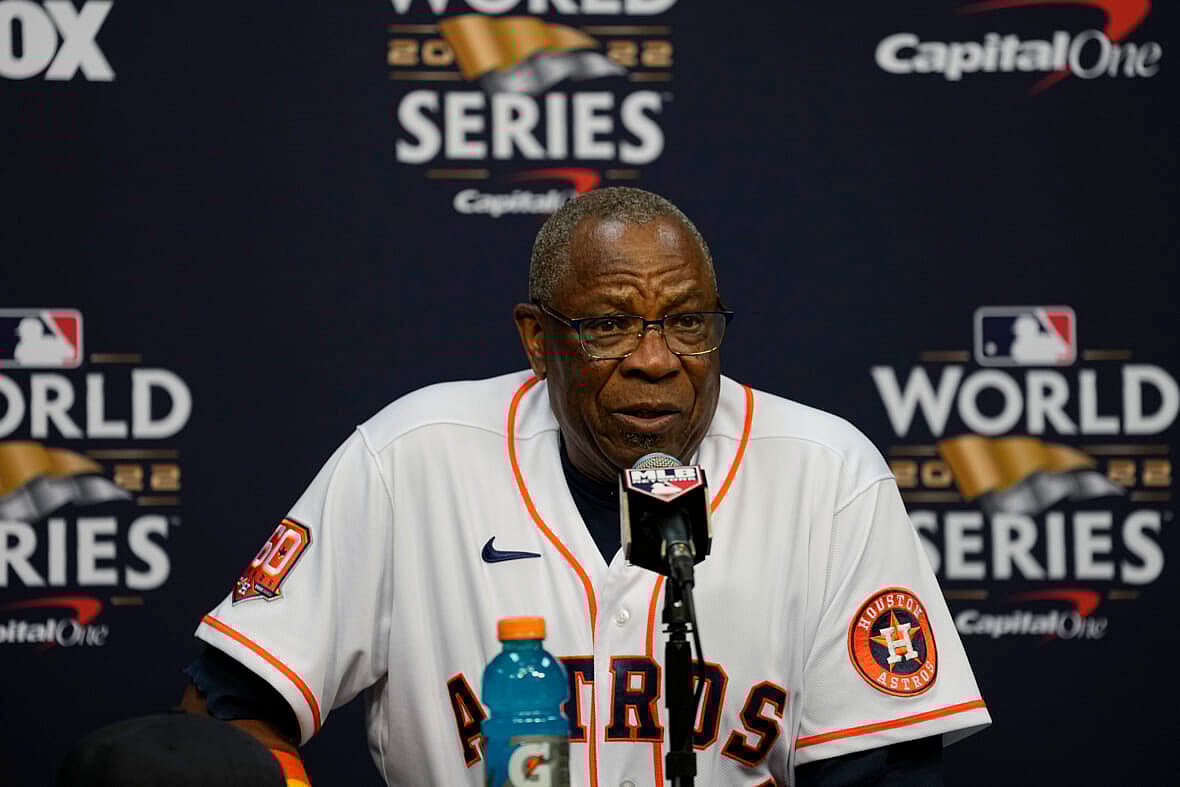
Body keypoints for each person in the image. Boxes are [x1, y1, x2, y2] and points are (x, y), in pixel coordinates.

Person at [174, 187, 988, 785]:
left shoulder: (827, 474)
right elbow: (228, 701)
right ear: (537, 338)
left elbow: (884, 767)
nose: (656, 358)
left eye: (688, 322)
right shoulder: (411, 456)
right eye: (609, 324)